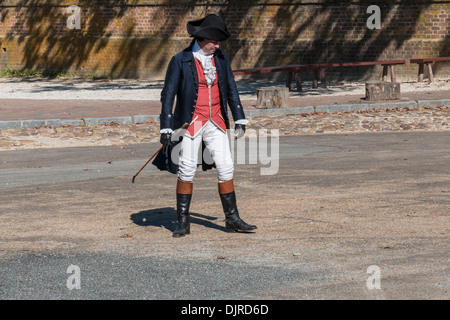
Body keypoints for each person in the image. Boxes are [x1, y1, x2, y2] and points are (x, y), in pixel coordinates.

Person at [152, 14, 257, 238]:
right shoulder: (180, 60)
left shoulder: (221, 58)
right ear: (202, 39)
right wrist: (165, 127)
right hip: (191, 122)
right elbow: (168, 95)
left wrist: (239, 117)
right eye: (214, 41)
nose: (217, 45)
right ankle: (183, 221)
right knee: (187, 168)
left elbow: (230, 88)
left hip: (216, 120)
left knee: (226, 166)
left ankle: (232, 219)